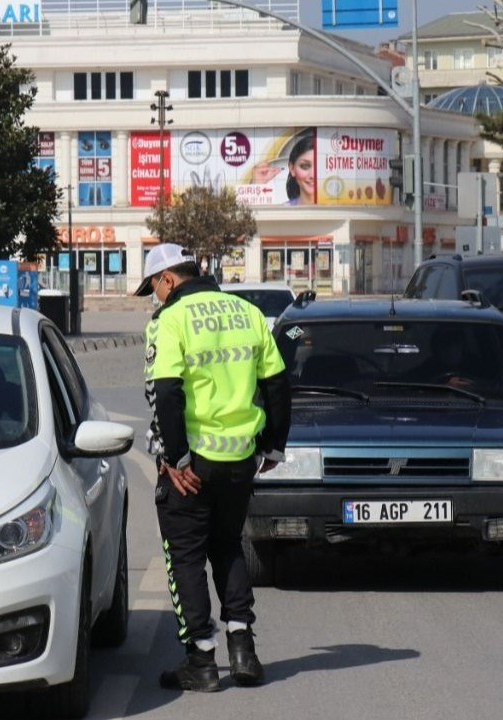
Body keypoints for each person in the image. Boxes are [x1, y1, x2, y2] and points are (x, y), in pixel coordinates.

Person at [136, 243, 291, 692]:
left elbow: (164, 391)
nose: (154, 298)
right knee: (227, 548)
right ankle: (244, 651)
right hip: (241, 459)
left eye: (153, 289)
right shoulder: (245, 312)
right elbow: (278, 384)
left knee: (184, 557)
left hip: (191, 467)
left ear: (168, 279)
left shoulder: (170, 320)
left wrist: (176, 456)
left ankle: (201, 661)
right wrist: (273, 446)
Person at [285, 134, 316, 206]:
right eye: (305, 166)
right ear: (292, 168)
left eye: (320, 167)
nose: (312, 175)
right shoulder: (281, 212)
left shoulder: (341, 210)